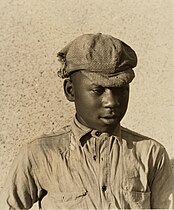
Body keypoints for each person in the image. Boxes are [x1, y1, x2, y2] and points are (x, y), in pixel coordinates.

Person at [0, 33, 173, 209]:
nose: (112, 101)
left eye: (121, 89)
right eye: (98, 90)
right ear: (70, 91)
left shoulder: (150, 154)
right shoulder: (40, 154)